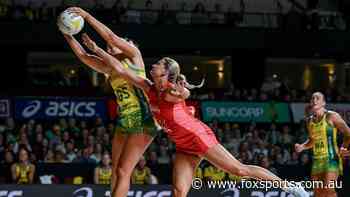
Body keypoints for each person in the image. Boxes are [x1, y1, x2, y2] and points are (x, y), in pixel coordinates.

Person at [80, 34, 309, 197]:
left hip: (199, 138)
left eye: (159, 64)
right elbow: (120, 70)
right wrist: (96, 49)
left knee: (239, 170)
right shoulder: (149, 88)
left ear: (167, 73)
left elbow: (184, 93)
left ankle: (290, 187)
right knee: (179, 191)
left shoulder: (171, 91)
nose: (154, 65)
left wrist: (183, 90)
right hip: (183, 145)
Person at [61, 7, 160, 197]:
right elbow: (84, 56)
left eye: (126, 41)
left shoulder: (134, 56)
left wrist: (87, 16)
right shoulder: (109, 67)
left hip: (143, 119)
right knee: (116, 169)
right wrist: (67, 33)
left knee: (124, 171)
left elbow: (112, 38)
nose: (121, 42)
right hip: (125, 120)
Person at [295, 92, 350, 197]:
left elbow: (348, 134)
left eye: (317, 98)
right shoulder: (309, 121)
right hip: (317, 161)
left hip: (332, 159)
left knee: (328, 190)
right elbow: (312, 141)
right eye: (312, 98)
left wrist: (343, 148)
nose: (314, 100)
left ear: (323, 103)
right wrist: (302, 146)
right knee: (318, 194)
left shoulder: (332, 116)